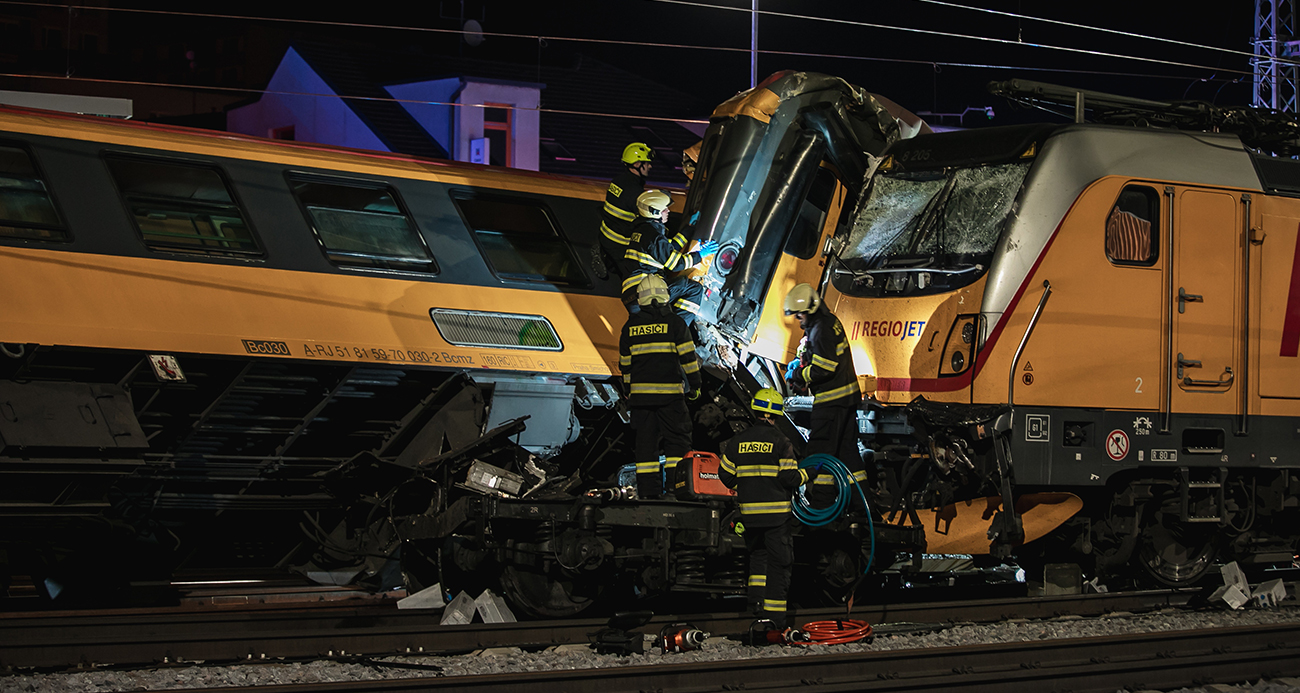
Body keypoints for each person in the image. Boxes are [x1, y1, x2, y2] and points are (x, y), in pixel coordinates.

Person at [719, 388, 819, 631]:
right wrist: (809, 473)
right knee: (779, 565)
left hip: (750, 517)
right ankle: (774, 622)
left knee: (758, 559)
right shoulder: (781, 442)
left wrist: (746, 483)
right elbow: (789, 479)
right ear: (776, 414)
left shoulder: (737, 442)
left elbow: (725, 476)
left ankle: (755, 608)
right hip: (776, 517)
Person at [619, 274, 701, 500]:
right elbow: (688, 359)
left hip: (641, 401)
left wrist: (628, 391)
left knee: (645, 449)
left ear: (641, 298)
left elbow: (625, 366)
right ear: (665, 296)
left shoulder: (630, 328)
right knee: (677, 443)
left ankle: (649, 494)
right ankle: (677, 490)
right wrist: (695, 385)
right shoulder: (675, 324)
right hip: (671, 399)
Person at [782, 283, 865, 508]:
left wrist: (799, 374)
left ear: (811, 309)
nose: (799, 320)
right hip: (846, 400)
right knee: (847, 453)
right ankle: (862, 503)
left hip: (831, 402)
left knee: (819, 451)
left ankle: (821, 503)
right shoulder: (829, 322)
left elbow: (825, 367)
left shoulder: (820, 330)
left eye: (800, 315)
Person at [621, 189, 718, 325]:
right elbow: (676, 263)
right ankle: (679, 330)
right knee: (693, 289)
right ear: (655, 212)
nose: (668, 211)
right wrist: (700, 255)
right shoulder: (652, 236)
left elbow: (669, 248)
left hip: (635, 295)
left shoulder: (643, 230)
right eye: (665, 209)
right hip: (645, 293)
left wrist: (688, 229)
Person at [599, 142, 655, 277]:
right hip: (621, 243)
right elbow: (646, 220)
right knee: (634, 275)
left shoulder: (618, 181)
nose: (650, 166)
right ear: (637, 164)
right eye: (646, 163)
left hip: (606, 233)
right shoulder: (635, 192)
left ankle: (604, 258)